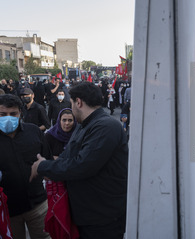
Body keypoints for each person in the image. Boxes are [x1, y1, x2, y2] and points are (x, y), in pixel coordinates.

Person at [30, 82, 128, 239]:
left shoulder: (106, 126)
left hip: (101, 218)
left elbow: (82, 165)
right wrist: (51, 167)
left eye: (71, 103)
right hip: (86, 214)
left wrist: (44, 166)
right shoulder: (84, 126)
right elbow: (68, 156)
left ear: (79, 102)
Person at [0, 94, 51, 239]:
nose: (8, 118)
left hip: (38, 205)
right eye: (2, 114)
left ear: (20, 113)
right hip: (8, 210)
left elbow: (47, 159)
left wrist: (45, 167)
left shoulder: (34, 131)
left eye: (13, 114)